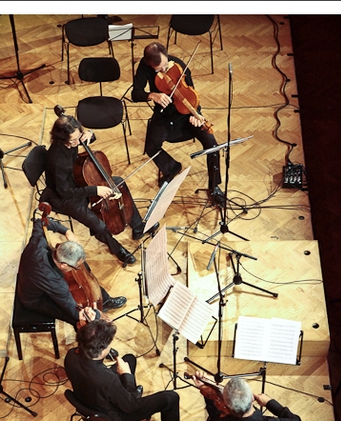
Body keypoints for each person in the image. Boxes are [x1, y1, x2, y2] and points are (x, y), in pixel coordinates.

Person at [41, 114, 158, 267]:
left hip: (78, 181)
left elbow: (86, 138)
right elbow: (65, 192)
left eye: (79, 136)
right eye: (74, 140)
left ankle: (138, 226)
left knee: (118, 183)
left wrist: (90, 134)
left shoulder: (74, 139)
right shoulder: (58, 161)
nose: (78, 142)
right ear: (62, 139)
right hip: (64, 197)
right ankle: (118, 250)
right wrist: (95, 190)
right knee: (99, 225)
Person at [64, 319, 196, 421]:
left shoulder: (70, 355)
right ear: (102, 350)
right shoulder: (108, 380)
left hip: (89, 400)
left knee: (129, 359)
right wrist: (127, 376)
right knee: (171, 398)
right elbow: (131, 406)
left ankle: (134, 394)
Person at [132, 42, 223, 198]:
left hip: (186, 114)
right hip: (164, 115)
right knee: (151, 147)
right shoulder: (144, 66)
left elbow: (192, 96)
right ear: (149, 64)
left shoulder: (179, 67)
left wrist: (196, 115)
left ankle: (214, 187)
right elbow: (135, 94)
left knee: (212, 145)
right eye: (158, 69)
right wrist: (152, 95)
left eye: (165, 65)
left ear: (166, 55)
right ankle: (172, 168)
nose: (164, 70)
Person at [17, 218, 127, 331]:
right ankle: (83, 339)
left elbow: (40, 222)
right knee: (77, 320)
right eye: (76, 266)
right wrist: (98, 315)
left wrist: (66, 231)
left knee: (84, 276)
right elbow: (76, 313)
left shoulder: (38, 243)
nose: (77, 268)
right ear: (63, 265)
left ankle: (105, 300)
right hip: (34, 299)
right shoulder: (57, 284)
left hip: (32, 276)